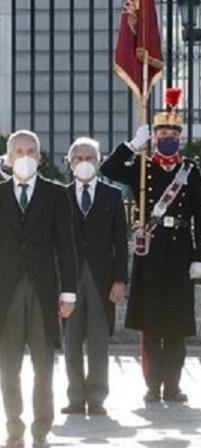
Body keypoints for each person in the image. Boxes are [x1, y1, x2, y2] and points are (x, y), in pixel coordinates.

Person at [101, 88, 201, 404]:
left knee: (176, 326)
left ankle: (172, 385)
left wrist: (200, 256)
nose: (167, 138)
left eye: (172, 133)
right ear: (154, 136)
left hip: (179, 255)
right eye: (161, 133)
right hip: (150, 251)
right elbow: (108, 171)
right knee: (150, 325)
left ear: (180, 136)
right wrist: (132, 146)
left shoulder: (190, 170)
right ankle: (152, 385)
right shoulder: (142, 166)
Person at [0, 131, 76, 448]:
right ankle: (14, 428)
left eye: (31, 151)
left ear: (40, 157)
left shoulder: (56, 194)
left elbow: (66, 246)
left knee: (44, 364)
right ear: (9, 158)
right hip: (7, 291)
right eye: (19, 151)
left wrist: (69, 292)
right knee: (9, 364)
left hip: (44, 291)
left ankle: (41, 429)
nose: (25, 156)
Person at [62, 137, 129, 418]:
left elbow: (120, 242)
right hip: (70, 278)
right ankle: (76, 397)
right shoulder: (60, 195)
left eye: (90, 158)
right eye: (78, 158)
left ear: (98, 162)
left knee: (99, 339)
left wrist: (120, 280)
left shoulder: (112, 196)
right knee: (72, 339)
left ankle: (98, 397)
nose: (84, 163)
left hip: (102, 278)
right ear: (69, 163)